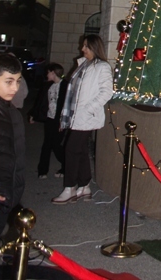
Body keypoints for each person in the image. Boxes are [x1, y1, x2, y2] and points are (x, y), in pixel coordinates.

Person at [52, 36, 113, 204]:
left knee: (71, 149)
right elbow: (73, 93)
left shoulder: (102, 67)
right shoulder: (83, 65)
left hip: (86, 116)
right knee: (81, 150)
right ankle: (85, 186)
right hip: (76, 115)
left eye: (86, 46)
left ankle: (70, 187)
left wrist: (89, 108)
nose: (82, 49)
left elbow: (107, 91)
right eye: (83, 45)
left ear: (94, 47)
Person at [0, 54, 25, 246]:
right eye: (9, 81)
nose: (15, 88)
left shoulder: (12, 112)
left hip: (7, 192)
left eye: (18, 81)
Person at [29, 63, 66, 179]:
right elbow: (40, 101)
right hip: (50, 118)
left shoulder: (65, 85)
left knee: (56, 145)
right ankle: (42, 170)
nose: (47, 74)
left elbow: (67, 104)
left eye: (48, 72)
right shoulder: (48, 85)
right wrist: (33, 114)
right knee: (47, 145)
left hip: (60, 119)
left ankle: (66, 166)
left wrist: (63, 121)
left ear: (53, 72)